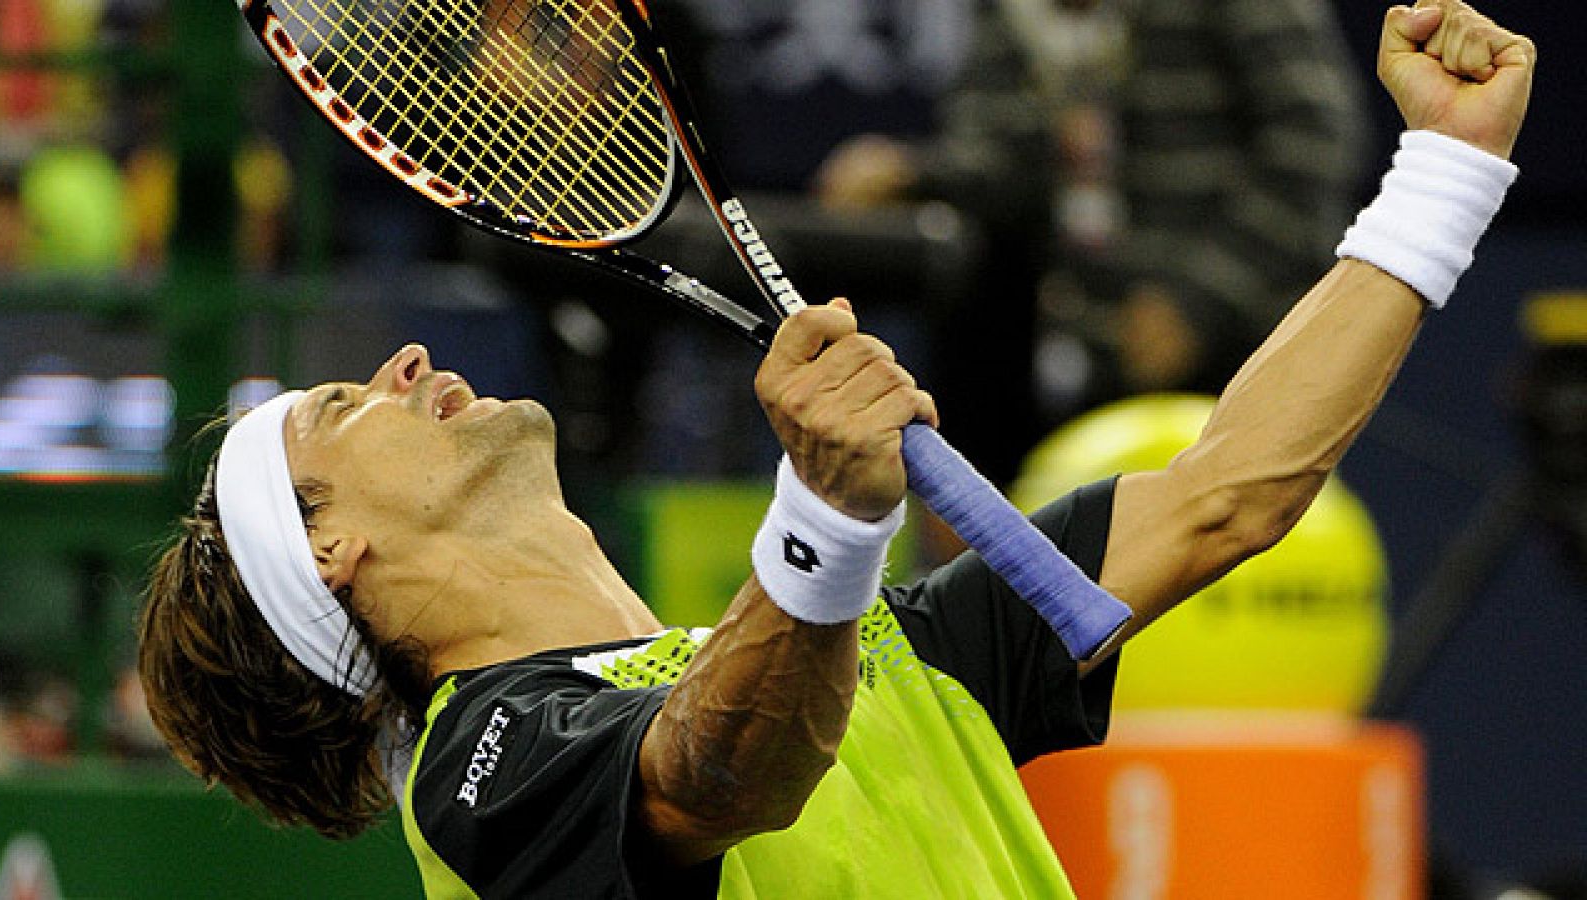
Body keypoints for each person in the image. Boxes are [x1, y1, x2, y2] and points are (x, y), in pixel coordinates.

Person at [137, 2, 1534, 896]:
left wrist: (1446, 173)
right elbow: (719, 772)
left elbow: (1225, 494)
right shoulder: (479, 778)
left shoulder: (894, 653)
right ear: (333, 550)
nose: (403, 367)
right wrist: (826, 518)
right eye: (339, 409)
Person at [817, 0, 1367, 477]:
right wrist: (911, 173)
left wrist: (1199, 305)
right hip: (1074, 362)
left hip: (1237, 363)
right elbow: (1006, 160)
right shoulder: (1008, 15)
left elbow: (1313, 140)